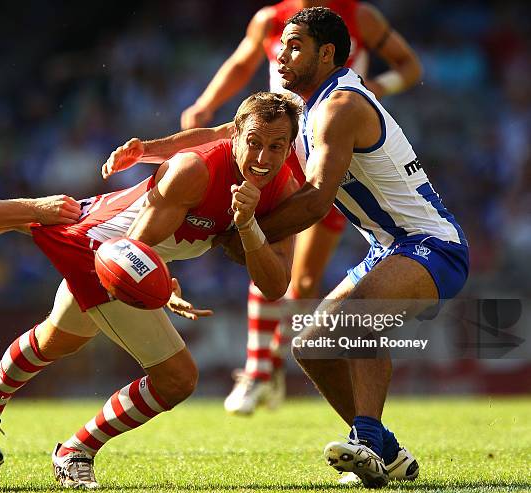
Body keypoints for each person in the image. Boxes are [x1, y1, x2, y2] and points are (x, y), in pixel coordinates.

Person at [104, 8, 468, 488]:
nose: (281, 52)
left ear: (327, 54)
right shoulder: (304, 106)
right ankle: (391, 457)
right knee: (312, 348)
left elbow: (317, 200)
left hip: (432, 245)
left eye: (295, 45)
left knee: (360, 316)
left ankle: (366, 440)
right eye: (283, 43)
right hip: (389, 246)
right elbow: (225, 137)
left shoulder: (339, 107)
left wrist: (245, 232)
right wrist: (148, 150)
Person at [0, 93, 301, 489]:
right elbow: (129, 252)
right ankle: (76, 451)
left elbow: (276, 286)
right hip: (100, 249)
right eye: (254, 142)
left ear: (290, 148)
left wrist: (248, 226)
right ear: (235, 135)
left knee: (57, 338)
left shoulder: (284, 189)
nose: (262, 157)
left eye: (277, 147)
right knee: (177, 380)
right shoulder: (195, 169)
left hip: (119, 247)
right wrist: (156, 283)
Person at [181, 0, 423, 416]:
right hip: (282, 155)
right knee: (266, 246)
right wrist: (206, 102)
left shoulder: (358, 17)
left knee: (305, 283)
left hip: (330, 158)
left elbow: (410, 68)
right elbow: (241, 66)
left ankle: (275, 360)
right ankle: (260, 370)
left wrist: (373, 91)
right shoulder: (270, 19)